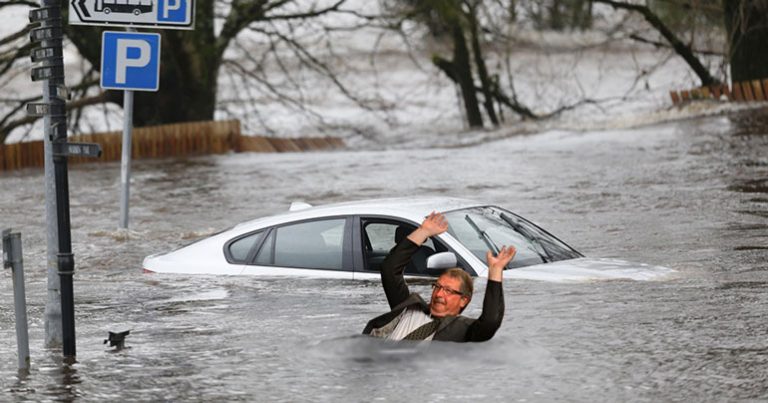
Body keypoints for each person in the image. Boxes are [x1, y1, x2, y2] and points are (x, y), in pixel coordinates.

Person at [363, 211, 516, 342]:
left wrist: (495, 271)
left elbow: (490, 322)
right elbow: (390, 269)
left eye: (448, 291)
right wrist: (423, 232)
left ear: (464, 300)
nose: (439, 294)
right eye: (438, 287)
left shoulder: (464, 330)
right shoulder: (408, 307)